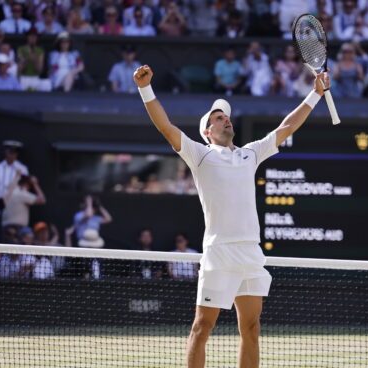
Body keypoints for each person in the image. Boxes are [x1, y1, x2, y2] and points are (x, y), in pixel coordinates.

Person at [133, 54, 329, 366]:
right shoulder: (199, 155)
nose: (226, 119)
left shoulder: (251, 153)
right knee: (202, 327)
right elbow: (166, 127)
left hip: (250, 252)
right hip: (219, 253)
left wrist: (316, 93)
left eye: (226, 116)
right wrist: (146, 89)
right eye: (218, 117)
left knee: (251, 328)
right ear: (207, 131)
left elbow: (287, 125)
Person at [17, 27, 46, 91]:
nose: (32, 38)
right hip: (24, 77)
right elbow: (20, 69)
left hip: (35, 78)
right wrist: (28, 59)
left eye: (34, 36)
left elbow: (39, 70)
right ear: (27, 37)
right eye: (31, 36)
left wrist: (35, 60)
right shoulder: (21, 49)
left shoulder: (40, 51)